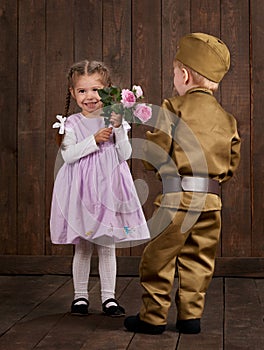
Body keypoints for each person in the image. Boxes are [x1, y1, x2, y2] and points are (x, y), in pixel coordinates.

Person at [124, 33, 241, 334]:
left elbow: (156, 150)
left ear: (185, 74)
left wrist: (155, 167)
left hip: (178, 200)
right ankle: (190, 317)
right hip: (211, 203)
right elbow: (231, 162)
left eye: (175, 73)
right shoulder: (227, 119)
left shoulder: (173, 107)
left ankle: (153, 317)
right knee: (198, 258)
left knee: (159, 257)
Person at [50, 60, 150, 317]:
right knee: (83, 245)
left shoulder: (114, 119)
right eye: (82, 91)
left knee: (106, 245)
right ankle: (80, 297)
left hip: (109, 190)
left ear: (108, 91)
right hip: (83, 193)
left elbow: (125, 154)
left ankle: (109, 299)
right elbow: (69, 155)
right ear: (73, 93)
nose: (89, 96)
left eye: (96, 90)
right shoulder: (71, 123)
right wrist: (93, 140)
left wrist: (119, 130)